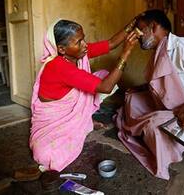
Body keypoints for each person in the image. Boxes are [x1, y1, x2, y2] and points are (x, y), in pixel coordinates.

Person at [115, 9, 184, 180]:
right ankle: (151, 132)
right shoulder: (159, 52)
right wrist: (142, 88)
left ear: (154, 27)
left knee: (153, 125)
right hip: (170, 106)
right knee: (132, 98)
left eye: (140, 30)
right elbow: (162, 84)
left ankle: (159, 138)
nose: (137, 36)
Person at [29, 19, 138, 174]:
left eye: (83, 39)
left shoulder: (76, 54)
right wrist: (126, 53)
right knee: (46, 156)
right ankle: (81, 121)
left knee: (104, 76)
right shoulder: (58, 66)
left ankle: (83, 119)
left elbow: (111, 43)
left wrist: (131, 25)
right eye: (79, 42)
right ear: (61, 49)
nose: (85, 45)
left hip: (69, 107)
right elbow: (105, 88)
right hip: (54, 118)